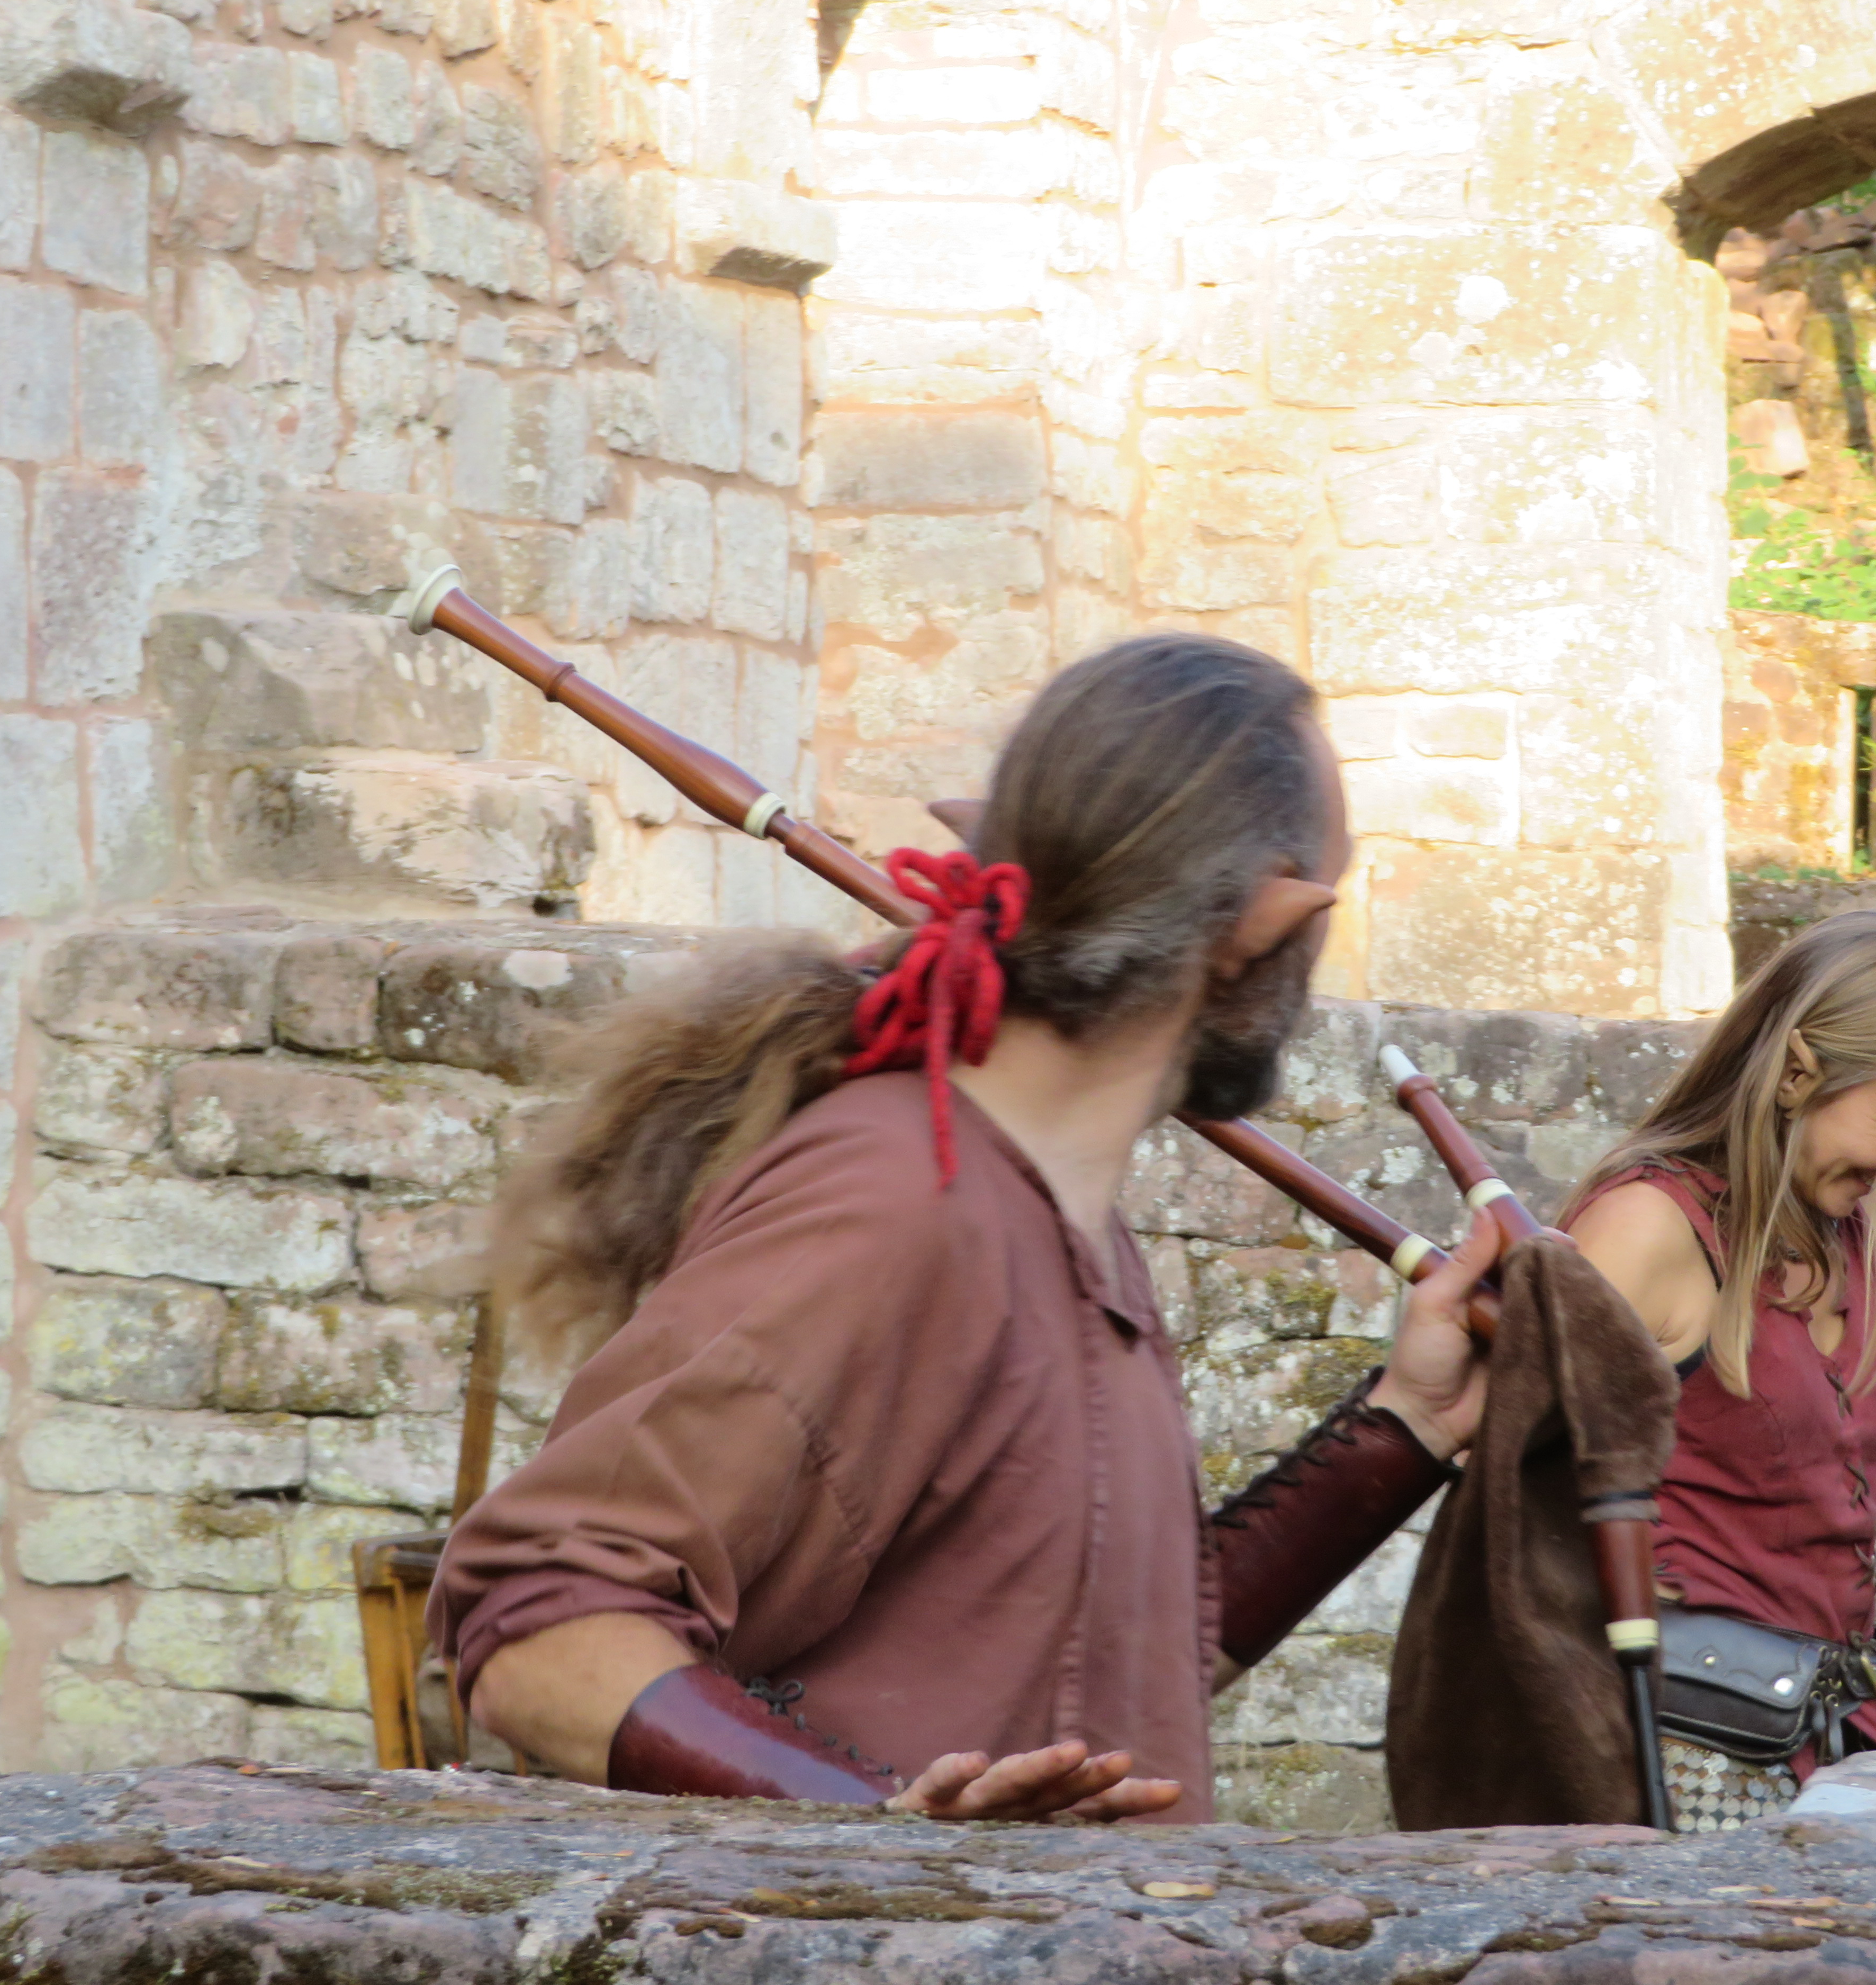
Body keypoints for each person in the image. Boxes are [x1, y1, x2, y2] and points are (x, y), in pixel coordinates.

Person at [429, 634, 1499, 1822]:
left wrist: (1406, 1428)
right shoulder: (896, 1199)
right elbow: (542, 1627)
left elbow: (1115, 1672)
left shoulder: (1066, 1222)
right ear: (1267, 918)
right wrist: (888, 1840)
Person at [1559, 910, 1876, 1833]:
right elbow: (1513, 1490)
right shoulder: (1645, 1232)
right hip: (1682, 1747)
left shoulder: (1854, 1245)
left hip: (1843, 1721)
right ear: (1797, 1072)